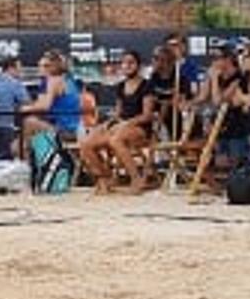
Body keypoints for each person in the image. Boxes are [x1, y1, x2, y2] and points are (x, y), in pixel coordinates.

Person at [78, 49, 158, 192]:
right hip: (121, 126)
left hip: (140, 129)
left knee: (116, 140)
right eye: (124, 63)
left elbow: (147, 115)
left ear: (138, 66)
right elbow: (118, 113)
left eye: (131, 63)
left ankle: (136, 179)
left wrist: (126, 123)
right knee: (86, 143)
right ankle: (105, 177)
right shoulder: (121, 86)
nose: (127, 66)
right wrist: (108, 123)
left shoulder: (147, 85)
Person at [19, 49, 84, 154]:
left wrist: (24, 108)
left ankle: (26, 162)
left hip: (64, 130)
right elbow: (42, 103)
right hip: (73, 128)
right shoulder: (69, 79)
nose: (41, 69)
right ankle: (36, 158)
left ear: (54, 67)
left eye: (45, 66)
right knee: (15, 146)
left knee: (29, 122)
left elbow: (45, 106)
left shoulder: (53, 80)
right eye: (40, 66)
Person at [0, 58, 30, 161]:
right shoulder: (15, 83)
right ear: (11, 68)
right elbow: (26, 102)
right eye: (19, 68)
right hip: (6, 126)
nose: (21, 71)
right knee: (5, 159)